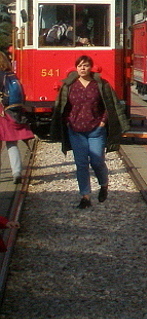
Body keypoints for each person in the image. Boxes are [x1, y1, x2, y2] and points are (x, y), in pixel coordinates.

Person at [50, 55, 130, 209]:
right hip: (75, 130)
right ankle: (85, 196)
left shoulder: (100, 84)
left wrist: (103, 122)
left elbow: (110, 105)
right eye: (79, 65)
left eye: (85, 65)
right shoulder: (69, 85)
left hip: (96, 130)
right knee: (81, 164)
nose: (82, 68)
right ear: (76, 67)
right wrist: (67, 121)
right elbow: (62, 106)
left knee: (97, 161)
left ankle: (104, 184)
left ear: (90, 67)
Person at [0, 52, 34, 185]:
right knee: (11, 143)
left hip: (1, 110)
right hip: (11, 111)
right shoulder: (12, 75)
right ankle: (17, 172)